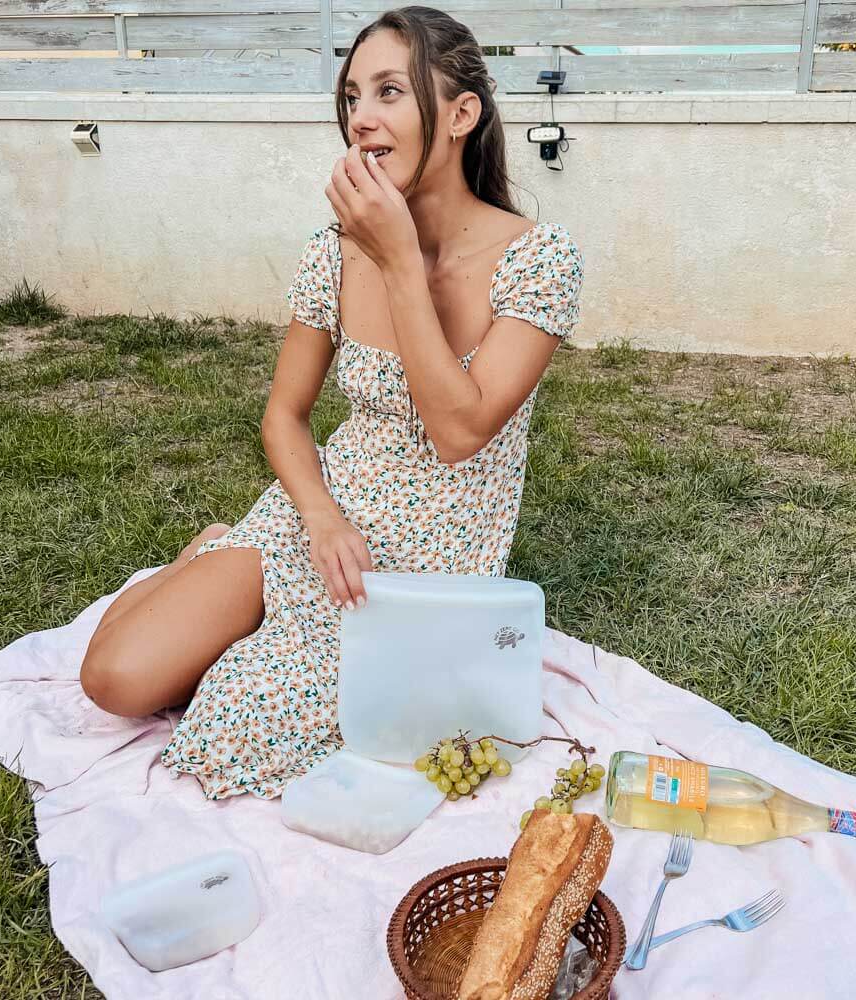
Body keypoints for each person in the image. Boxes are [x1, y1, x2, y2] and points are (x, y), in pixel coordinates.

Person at [79, 5, 585, 800]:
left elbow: (460, 431)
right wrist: (317, 515)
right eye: (352, 96)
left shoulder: (539, 258)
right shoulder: (332, 249)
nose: (361, 121)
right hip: (321, 514)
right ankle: (208, 553)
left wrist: (397, 263)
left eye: (389, 93)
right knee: (111, 679)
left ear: (461, 115)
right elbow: (284, 415)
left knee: (235, 729)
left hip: (426, 554)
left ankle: (219, 586)